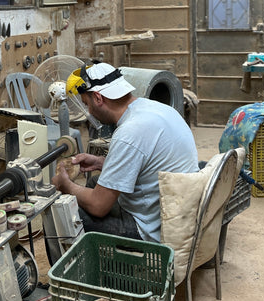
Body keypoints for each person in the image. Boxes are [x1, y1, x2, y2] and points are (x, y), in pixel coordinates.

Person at [51, 62, 198, 242]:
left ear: (98, 98)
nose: (89, 111)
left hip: (155, 229)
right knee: (96, 182)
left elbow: (99, 206)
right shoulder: (157, 109)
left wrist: (66, 185)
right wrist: (101, 162)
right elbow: (148, 163)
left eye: (87, 103)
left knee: (62, 211)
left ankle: (68, 269)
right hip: (179, 210)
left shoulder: (129, 133)